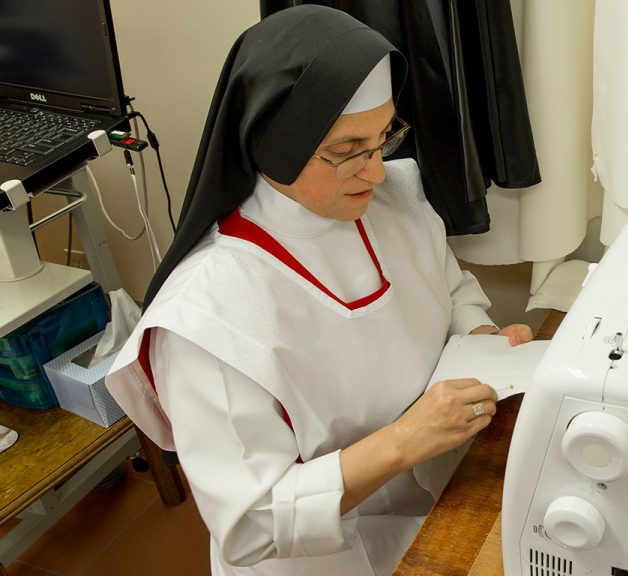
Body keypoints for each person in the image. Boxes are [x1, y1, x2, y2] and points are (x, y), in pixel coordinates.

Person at [105, 6, 532, 575]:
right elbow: (250, 524)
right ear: (275, 140)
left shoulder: (393, 200)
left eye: (384, 137)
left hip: (441, 497)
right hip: (320, 558)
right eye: (347, 150)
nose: (376, 171)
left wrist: (480, 340)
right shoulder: (207, 317)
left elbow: (451, 291)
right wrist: (404, 441)